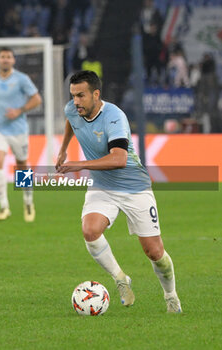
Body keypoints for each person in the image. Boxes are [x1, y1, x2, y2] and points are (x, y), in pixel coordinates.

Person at [56, 70, 182, 313]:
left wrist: (79, 164)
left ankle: (170, 295)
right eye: (73, 96)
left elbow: (119, 159)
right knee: (90, 231)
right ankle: (121, 279)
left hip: (134, 187)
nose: (76, 102)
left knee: (154, 251)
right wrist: (63, 148)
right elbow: (71, 120)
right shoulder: (73, 109)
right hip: (102, 185)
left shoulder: (114, 117)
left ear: (96, 94)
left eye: (81, 96)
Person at [0, 47, 42, 221]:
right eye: (2, 56)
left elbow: (36, 99)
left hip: (18, 129)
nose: (5, 59)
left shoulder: (21, 79)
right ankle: (4, 207)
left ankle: (28, 202)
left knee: (22, 165)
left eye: (8, 57)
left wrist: (20, 110)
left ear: (13, 60)